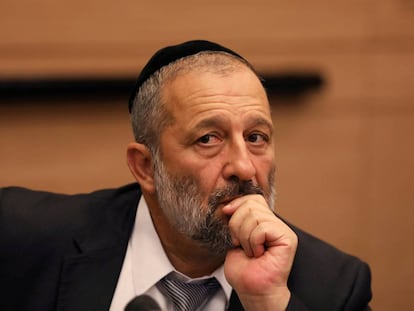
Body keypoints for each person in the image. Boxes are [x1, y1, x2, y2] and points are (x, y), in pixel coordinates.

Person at [0, 40, 372, 311]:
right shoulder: (21, 239)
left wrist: (268, 303)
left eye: (256, 138)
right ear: (146, 167)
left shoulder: (333, 287)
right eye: (208, 139)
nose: (244, 168)